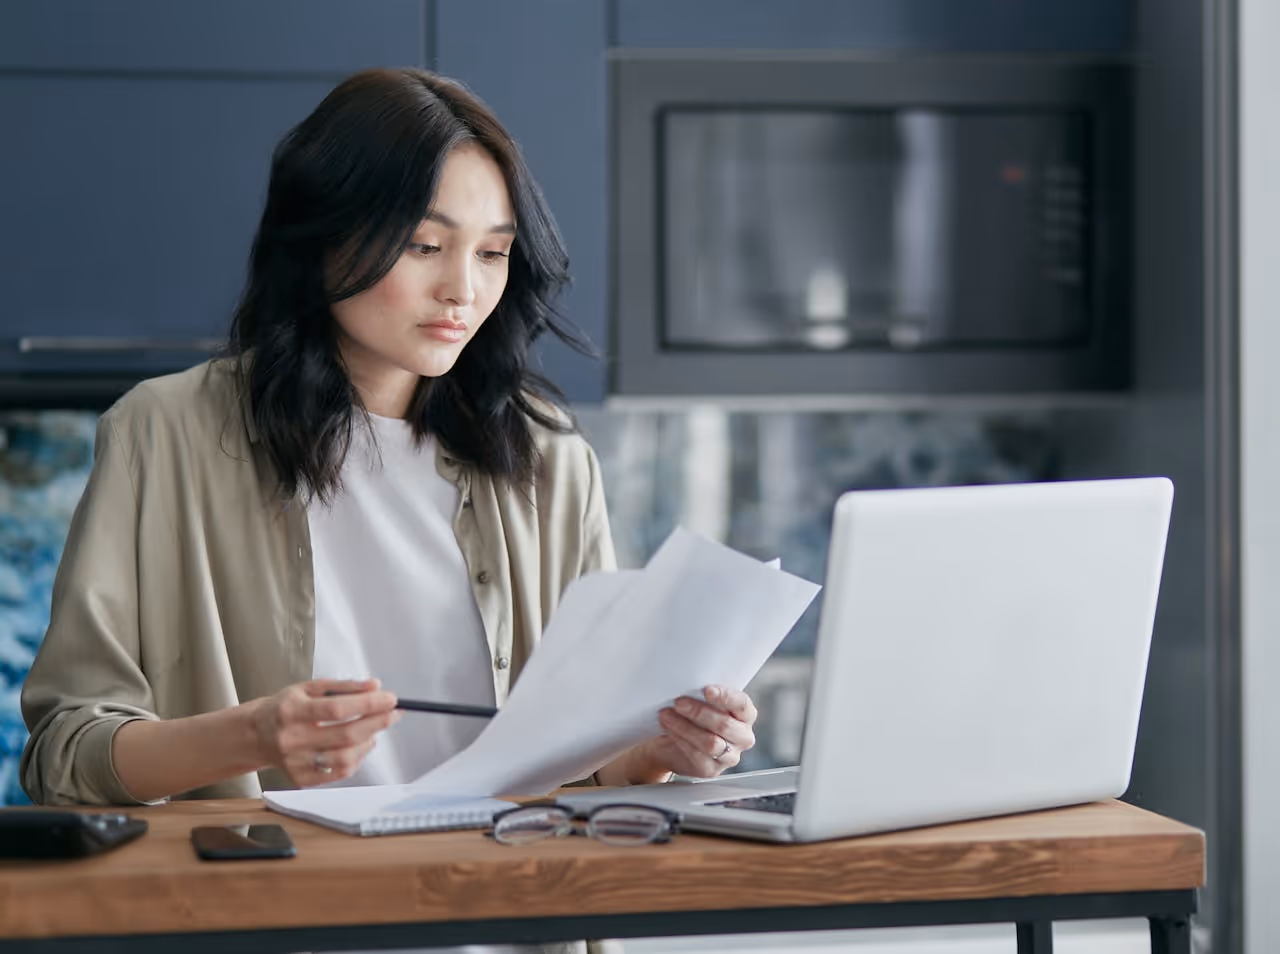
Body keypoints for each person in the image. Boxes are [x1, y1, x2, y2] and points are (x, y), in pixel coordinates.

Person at [19, 68, 758, 815]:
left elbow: (589, 763)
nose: (462, 290)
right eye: (424, 244)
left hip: (507, 919)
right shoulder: (163, 435)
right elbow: (64, 752)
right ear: (321, 237)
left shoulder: (551, 463)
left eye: (492, 253)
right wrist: (253, 735)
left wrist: (658, 751)